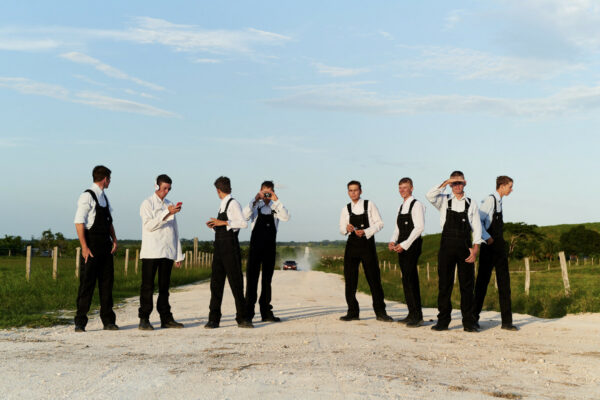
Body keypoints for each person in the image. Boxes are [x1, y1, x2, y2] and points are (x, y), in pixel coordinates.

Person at [426, 171, 483, 332]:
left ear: (465, 184)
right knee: (444, 285)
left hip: (465, 248)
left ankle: (469, 322)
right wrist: (445, 182)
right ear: (451, 185)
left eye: (460, 183)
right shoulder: (444, 201)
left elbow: (477, 228)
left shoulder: (471, 203)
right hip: (446, 248)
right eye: (454, 183)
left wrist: (475, 249)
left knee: (467, 286)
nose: (457, 186)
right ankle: (443, 321)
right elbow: (429, 195)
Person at [339, 180, 393, 322]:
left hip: (367, 244)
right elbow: (341, 229)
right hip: (351, 245)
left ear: (361, 191)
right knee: (350, 280)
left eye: (355, 190)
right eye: (350, 190)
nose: (353, 193)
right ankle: (352, 312)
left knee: (374, 279)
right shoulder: (346, 208)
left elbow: (380, 223)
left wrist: (367, 231)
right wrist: (347, 228)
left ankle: (381, 312)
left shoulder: (369, 205)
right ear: (348, 192)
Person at [73, 165, 118, 332]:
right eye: (110, 179)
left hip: (106, 247)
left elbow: (109, 221)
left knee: (107, 285)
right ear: (105, 179)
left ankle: (108, 321)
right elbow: (79, 222)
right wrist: (84, 247)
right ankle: (80, 322)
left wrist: (114, 239)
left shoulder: (105, 198)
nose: (110, 182)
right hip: (91, 246)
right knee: (87, 285)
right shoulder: (87, 196)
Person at [138, 174, 185, 331]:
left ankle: (166, 318)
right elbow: (149, 226)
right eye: (164, 188)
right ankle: (144, 319)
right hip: (151, 252)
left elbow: (175, 231)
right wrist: (166, 213)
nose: (166, 191)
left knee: (164, 287)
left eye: (169, 189)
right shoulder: (147, 203)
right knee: (147, 287)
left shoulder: (170, 204)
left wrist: (178, 255)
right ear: (156, 186)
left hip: (167, 252)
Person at [205, 176, 252, 329]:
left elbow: (243, 223)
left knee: (236, 283)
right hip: (219, 248)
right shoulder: (222, 205)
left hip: (230, 248)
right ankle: (213, 319)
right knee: (216, 284)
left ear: (218, 190)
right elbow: (227, 225)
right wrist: (215, 225)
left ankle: (243, 318)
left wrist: (223, 222)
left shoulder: (233, 203)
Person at [473, 176, 518, 331]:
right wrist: (487, 237)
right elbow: (476, 221)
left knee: (504, 283)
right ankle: (473, 319)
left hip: (500, 247)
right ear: (502, 186)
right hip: (489, 247)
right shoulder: (490, 200)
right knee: (482, 283)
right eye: (510, 186)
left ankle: (507, 322)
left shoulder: (500, 202)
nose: (511, 189)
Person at [243, 180, 290, 323]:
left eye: (269, 192)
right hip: (255, 246)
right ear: (260, 191)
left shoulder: (276, 208)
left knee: (267, 280)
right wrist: (255, 198)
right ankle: (248, 312)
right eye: (265, 192)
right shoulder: (255, 207)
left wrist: (277, 200)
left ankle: (266, 312)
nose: (267, 195)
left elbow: (286, 217)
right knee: (252, 279)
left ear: (274, 192)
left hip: (270, 247)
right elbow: (244, 217)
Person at [388, 177, 426, 327]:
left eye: (405, 187)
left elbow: (419, 228)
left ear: (411, 188)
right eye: (400, 188)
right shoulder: (400, 206)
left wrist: (404, 244)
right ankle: (411, 313)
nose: (402, 190)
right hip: (402, 244)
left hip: (412, 244)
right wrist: (393, 240)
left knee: (411, 278)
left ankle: (418, 316)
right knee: (405, 278)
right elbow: (397, 228)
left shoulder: (417, 205)